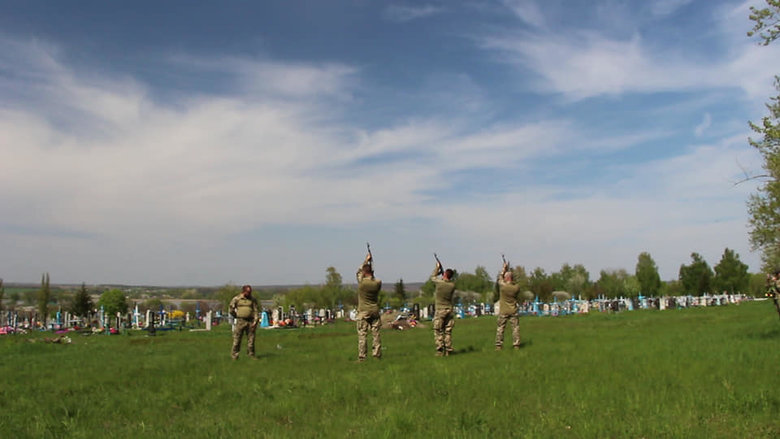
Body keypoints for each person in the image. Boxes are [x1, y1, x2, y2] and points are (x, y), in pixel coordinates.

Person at [356, 252, 382, 361]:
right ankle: (377, 355)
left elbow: (358, 272)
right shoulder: (377, 282)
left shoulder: (362, 282)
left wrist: (366, 260)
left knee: (363, 334)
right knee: (376, 334)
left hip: (363, 312)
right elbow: (373, 278)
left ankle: (362, 357)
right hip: (374, 310)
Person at [431, 260, 456, 356]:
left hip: (440, 310)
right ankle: (449, 350)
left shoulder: (440, 283)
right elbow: (445, 280)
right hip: (449, 310)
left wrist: (437, 268)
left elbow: (433, 277)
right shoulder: (452, 285)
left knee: (438, 331)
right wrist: (443, 273)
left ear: (445, 274)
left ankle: (440, 350)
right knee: (448, 332)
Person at [495, 262, 522, 350]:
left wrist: (504, 269)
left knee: (500, 329)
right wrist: (510, 274)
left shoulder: (503, 286)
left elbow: (500, 278)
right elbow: (514, 283)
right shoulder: (516, 288)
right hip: (513, 310)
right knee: (515, 329)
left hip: (503, 311)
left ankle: (499, 345)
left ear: (506, 278)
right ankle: (516, 345)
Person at [229, 285, 260, 360]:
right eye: (247, 292)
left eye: (250, 292)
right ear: (243, 291)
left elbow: (256, 310)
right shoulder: (237, 298)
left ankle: (251, 354)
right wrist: (236, 315)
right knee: (237, 339)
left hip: (250, 321)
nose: (249, 293)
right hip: (240, 321)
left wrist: (255, 321)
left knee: (251, 339)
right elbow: (231, 308)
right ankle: (234, 355)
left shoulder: (253, 300)